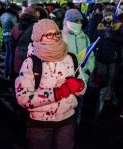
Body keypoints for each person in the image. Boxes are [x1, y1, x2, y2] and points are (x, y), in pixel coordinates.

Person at [15, 19, 86, 149]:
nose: (54, 37)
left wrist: (80, 86)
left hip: (67, 120)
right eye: (49, 34)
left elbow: (81, 86)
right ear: (39, 37)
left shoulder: (70, 58)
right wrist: (57, 93)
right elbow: (23, 97)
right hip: (40, 124)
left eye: (56, 33)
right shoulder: (31, 63)